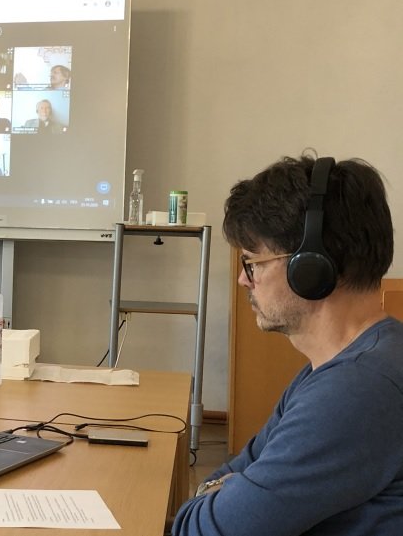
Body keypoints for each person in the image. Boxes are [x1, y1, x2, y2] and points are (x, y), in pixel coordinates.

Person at [172, 154, 403, 536]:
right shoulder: (336, 366)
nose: (244, 281)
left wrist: (216, 498)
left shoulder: (358, 388)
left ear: (311, 267)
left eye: (252, 263)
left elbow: (206, 531)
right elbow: (241, 466)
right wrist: (224, 493)